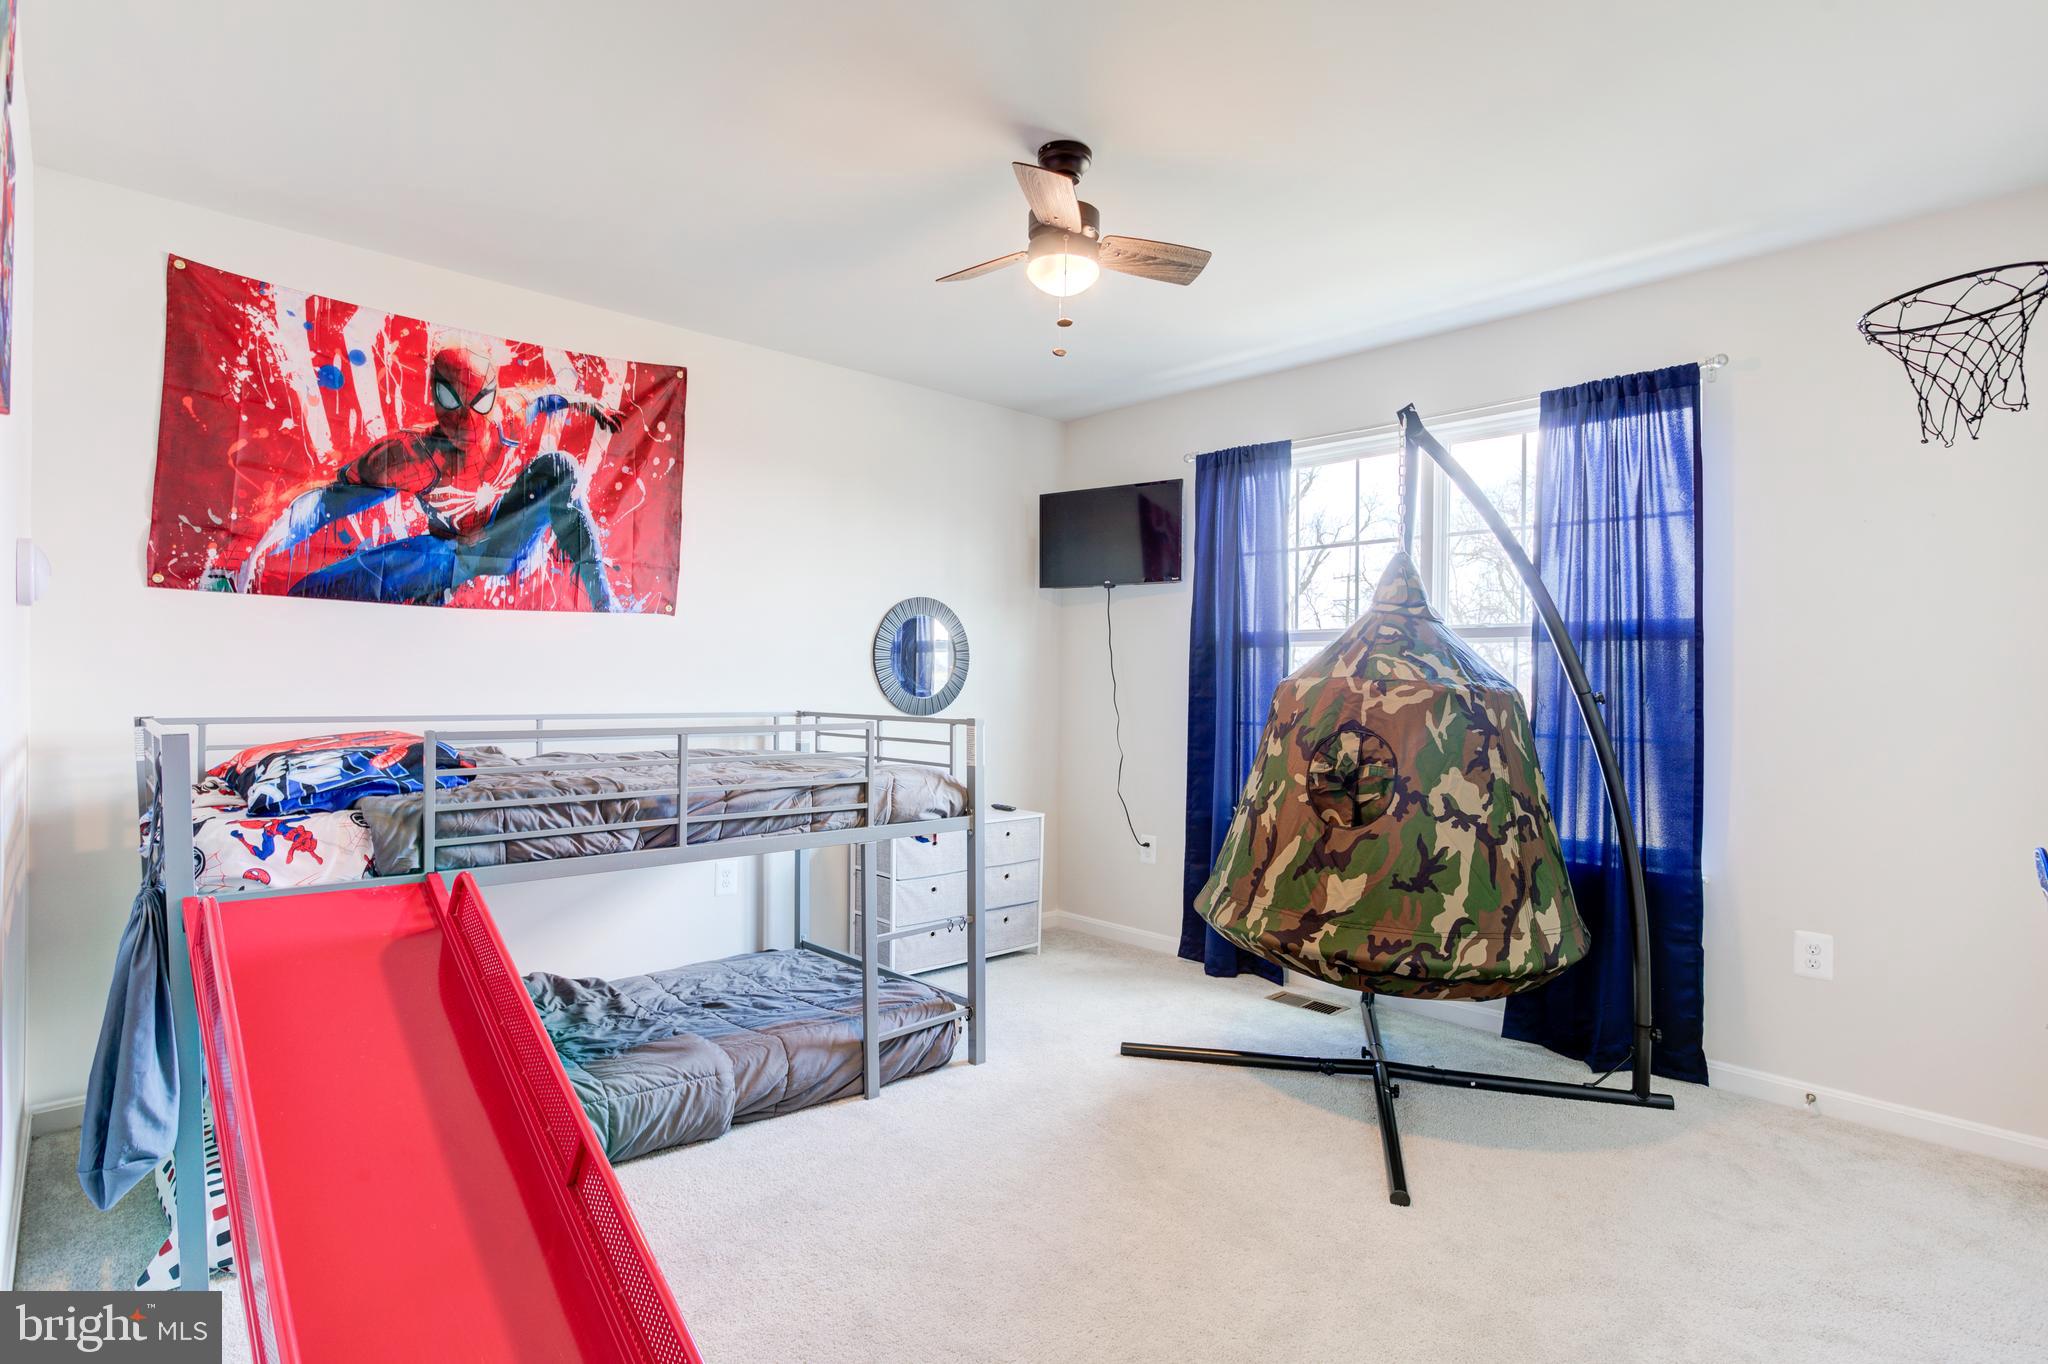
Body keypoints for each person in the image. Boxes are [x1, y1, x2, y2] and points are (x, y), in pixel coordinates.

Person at [269, 341, 623, 609]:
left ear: (491, 398)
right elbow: (331, 497)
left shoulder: (509, 413)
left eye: (478, 403)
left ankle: (605, 605)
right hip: (446, 555)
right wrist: (274, 537)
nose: (467, 421)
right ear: (436, 395)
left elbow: (548, 396)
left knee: (560, 466)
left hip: (503, 540)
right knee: (315, 588)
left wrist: (588, 403)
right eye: (451, 400)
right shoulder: (410, 455)